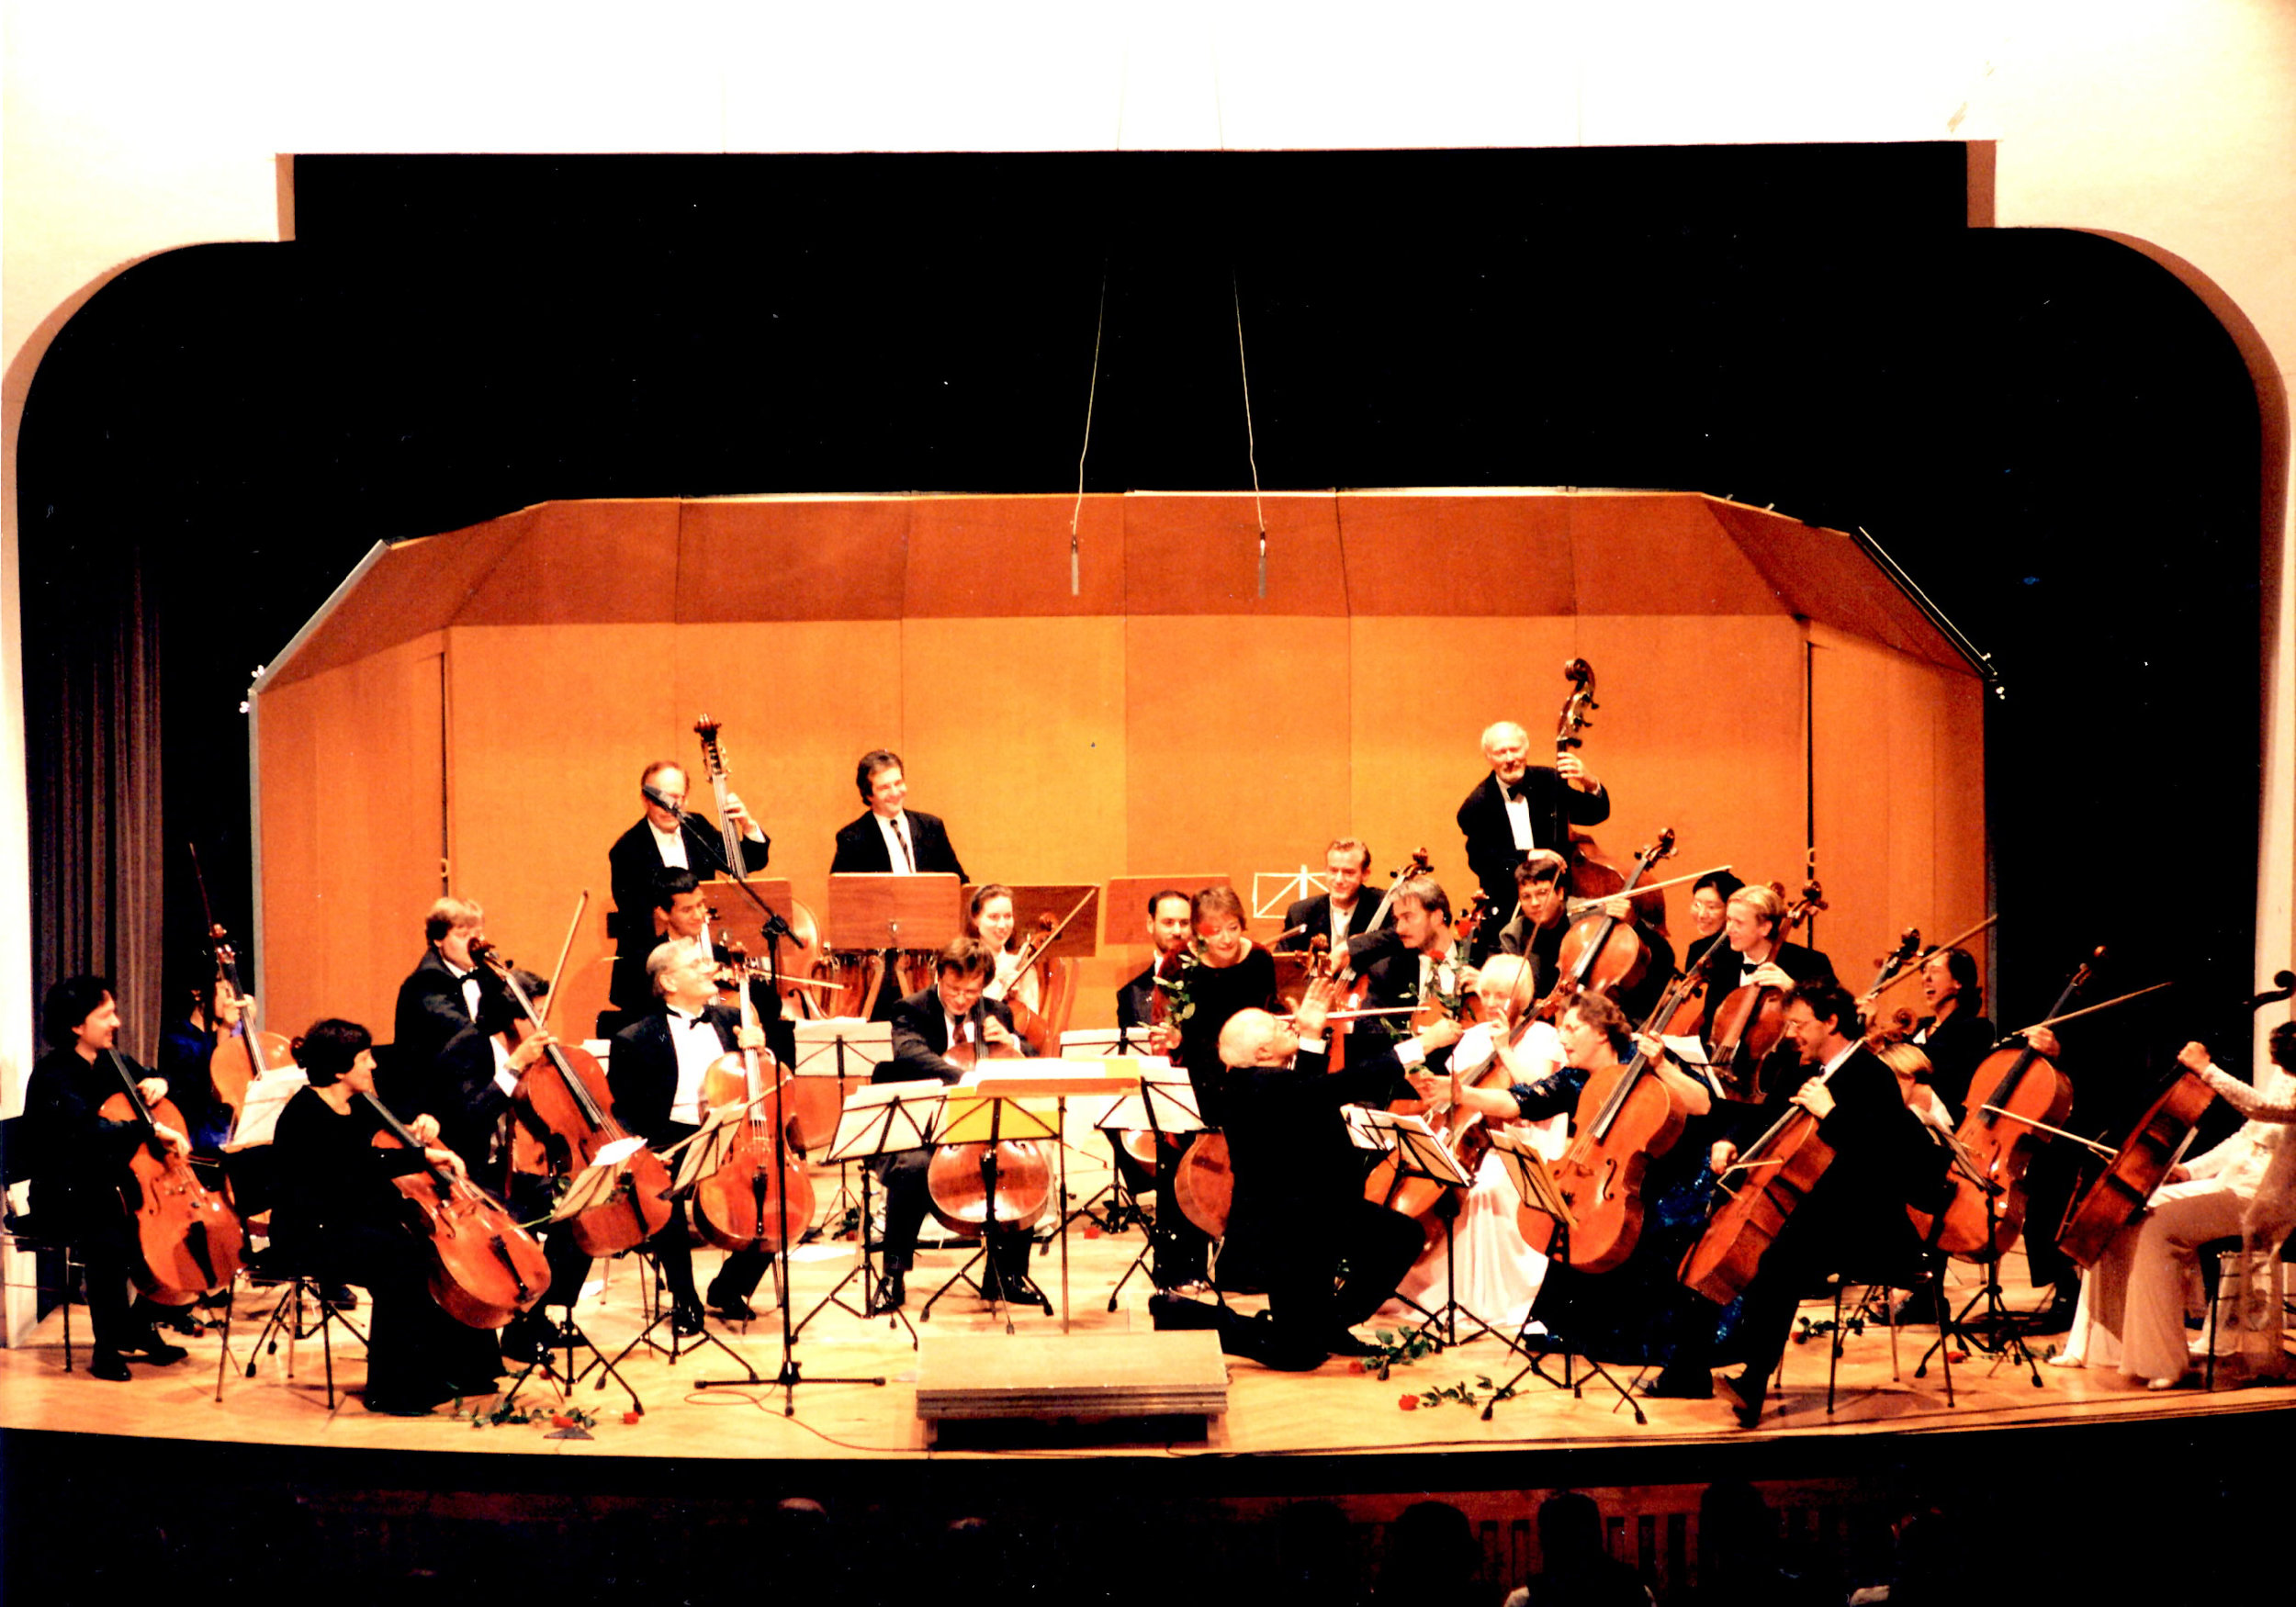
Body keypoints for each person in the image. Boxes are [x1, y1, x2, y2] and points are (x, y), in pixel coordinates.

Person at [1684, 981, 1947, 1426]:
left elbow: (1882, 1159)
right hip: (1810, 1208)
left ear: (1831, 1022)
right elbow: (1763, 1119)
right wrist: (1730, 1141)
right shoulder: (1796, 1070)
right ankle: (1701, 1363)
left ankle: (1752, 1375)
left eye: (1800, 1024)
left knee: (1781, 1255)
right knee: (1722, 1232)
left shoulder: (1872, 1076)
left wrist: (1832, 1114)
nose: (1792, 1034)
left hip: (1864, 1217)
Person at [1207, 978, 1460, 1365]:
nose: (1285, 1023)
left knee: (1399, 1236)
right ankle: (1197, 1320)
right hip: (1287, 1229)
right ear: (1262, 1051)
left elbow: (1307, 1092)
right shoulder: (1260, 1085)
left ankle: (1326, 1324)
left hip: (1314, 1214)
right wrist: (1423, 1045)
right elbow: (1334, 1087)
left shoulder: (1256, 1080)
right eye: (1277, 1026)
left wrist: (1310, 1034)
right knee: (1298, 1355)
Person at [268, 1017, 505, 1414]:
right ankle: (395, 1390)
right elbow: (355, 1165)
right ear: (341, 1068)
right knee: (404, 1261)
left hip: (352, 1220)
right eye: (364, 1058)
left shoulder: (357, 1103)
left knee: (431, 1253)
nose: (373, 1065)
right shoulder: (305, 1113)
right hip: (312, 1231)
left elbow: (394, 1135)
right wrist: (422, 1155)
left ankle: (463, 1369)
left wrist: (422, 1126)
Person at [2052, 1021, 2296, 1388]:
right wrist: (2188, 1171)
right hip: (2233, 1186)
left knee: (2158, 1223)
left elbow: (2263, 1109)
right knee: (2127, 1208)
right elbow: (2246, 1137)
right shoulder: (2285, 1077)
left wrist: (2207, 1069)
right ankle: (2103, 1345)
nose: (2280, 1067)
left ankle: (2164, 1361)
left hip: (2268, 1201)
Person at [21, 975, 195, 1381]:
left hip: (113, 1186)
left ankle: (137, 1324)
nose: (116, 1022)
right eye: (106, 1015)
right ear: (77, 1026)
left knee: (183, 1236)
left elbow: (149, 1079)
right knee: (111, 1235)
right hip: (64, 1192)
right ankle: (106, 1347)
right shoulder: (54, 1075)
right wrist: (150, 1130)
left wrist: (159, 1081)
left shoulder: (112, 1062)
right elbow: (86, 1132)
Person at [608, 940, 778, 1330]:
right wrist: (643, 1152)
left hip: (731, 1132)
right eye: (697, 964)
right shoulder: (634, 1038)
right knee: (664, 1196)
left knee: (773, 1194)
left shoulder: (732, 1019)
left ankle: (730, 1287)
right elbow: (621, 1112)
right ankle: (684, 1298)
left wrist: (763, 1050)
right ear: (668, 980)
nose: (709, 968)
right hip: (670, 1138)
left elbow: (768, 1079)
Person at [871, 937, 1039, 1310]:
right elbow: (909, 1053)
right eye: (954, 989)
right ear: (939, 976)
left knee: (1021, 1166)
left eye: (972, 991)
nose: (963, 1000)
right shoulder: (910, 1009)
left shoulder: (996, 1011)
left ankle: (1005, 1275)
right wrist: (963, 1075)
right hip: (921, 1128)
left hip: (978, 1127)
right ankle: (893, 1275)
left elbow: (1028, 1054)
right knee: (912, 1167)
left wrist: (1011, 1040)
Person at [386, 897, 557, 1177]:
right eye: (464, 935)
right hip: (434, 1105)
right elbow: (469, 1032)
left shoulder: (480, 974)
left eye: (479, 935)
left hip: (469, 1083)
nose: (475, 943)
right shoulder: (425, 983)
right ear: (438, 940)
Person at [604, 758, 771, 1035]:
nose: (672, 807)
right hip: (652, 973)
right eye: (662, 799)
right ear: (645, 799)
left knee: (764, 1004)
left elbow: (746, 864)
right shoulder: (627, 850)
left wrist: (748, 824)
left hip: (703, 958)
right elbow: (640, 921)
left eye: (677, 798)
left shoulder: (697, 827)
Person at [1112, 888, 1211, 1289]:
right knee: (1170, 1161)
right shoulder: (1131, 992)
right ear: (1150, 925)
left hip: (1203, 1094)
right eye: (1167, 922)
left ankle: (1201, 1265)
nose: (1176, 930)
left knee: (1201, 1170)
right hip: (1158, 1098)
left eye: (1184, 923)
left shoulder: (1210, 978)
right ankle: (1171, 1268)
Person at [829, 748, 967, 1019]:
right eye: (884, 787)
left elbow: (959, 882)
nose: (895, 792)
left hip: (931, 947)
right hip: (882, 958)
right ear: (868, 795)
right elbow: (843, 899)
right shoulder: (851, 837)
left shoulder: (931, 827)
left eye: (898, 783)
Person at [1458, 719, 1609, 960]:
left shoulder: (1548, 781)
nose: (1509, 758)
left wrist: (1589, 782)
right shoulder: (1476, 806)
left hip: (1562, 904)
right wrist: (1526, 856)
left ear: (1525, 749)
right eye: (1500, 752)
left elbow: (1593, 814)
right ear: (1489, 757)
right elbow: (1481, 861)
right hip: (1511, 908)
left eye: (1514, 749)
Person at [1701, 883, 1835, 1102]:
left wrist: (1792, 988)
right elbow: (1710, 1026)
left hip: (1785, 1084)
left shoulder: (1810, 963)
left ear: (1764, 928)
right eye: (1729, 920)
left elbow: (1833, 1018)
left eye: (1739, 923)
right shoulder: (1721, 963)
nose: (1729, 930)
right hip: (1723, 1081)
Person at [1172, 885, 1279, 1122]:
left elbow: (1269, 1014)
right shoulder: (1179, 962)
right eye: (1215, 931)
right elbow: (1166, 1023)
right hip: (1197, 1072)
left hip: (1250, 1072)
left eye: (1233, 928)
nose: (1227, 939)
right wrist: (1173, 1039)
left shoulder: (1259, 958)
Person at [1908, 947, 1994, 1121]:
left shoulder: (1975, 1028)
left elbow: (1933, 1068)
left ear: (1958, 983)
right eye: (1924, 971)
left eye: (1935, 971)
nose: (1926, 978)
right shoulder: (1919, 1028)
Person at [1277, 837, 1390, 954]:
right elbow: (1282, 965)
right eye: (1333, 871)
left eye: (1348, 872)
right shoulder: (1300, 913)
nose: (1339, 880)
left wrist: (1350, 946)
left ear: (1365, 874)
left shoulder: (1384, 905)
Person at [967, 882, 1041, 1018]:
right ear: (975, 920)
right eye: (993, 917)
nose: (1002, 925)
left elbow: (1031, 1025)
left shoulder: (1024, 970)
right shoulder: (961, 964)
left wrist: (1018, 997)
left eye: (1008, 916)